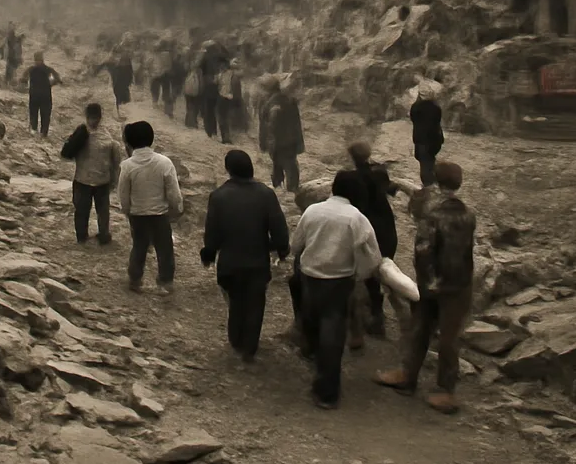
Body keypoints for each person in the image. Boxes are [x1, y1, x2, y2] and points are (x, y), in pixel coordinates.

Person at [374, 161, 476, 414]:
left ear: (436, 180)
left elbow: (423, 251)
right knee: (449, 338)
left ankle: (411, 375)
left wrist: (426, 282)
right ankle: (443, 388)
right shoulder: (467, 214)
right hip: (459, 284)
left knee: (422, 330)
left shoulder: (432, 214)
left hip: (433, 283)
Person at [291, 176, 382, 409]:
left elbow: (296, 245)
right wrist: (360, 275)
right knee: (332, 334)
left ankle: (311, 355)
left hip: (309, 277)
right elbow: (373, 258)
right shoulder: (357, 219)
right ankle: (326, 393)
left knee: (311, 321)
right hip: (338, 282)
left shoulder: (312, 211)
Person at [201, 150, 289, 362]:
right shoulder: (266, 194)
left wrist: (209, 253)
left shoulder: (219, 196)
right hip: (257, 260)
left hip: (230, 261)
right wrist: (281, 248)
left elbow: (213, 231)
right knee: (255, 303)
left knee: (236, 300)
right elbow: (278, 226)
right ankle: (250, 346)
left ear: (228, 169)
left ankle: (236, 339)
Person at [332, 142, 401, 343]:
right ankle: (378, 315)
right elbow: (392, 190)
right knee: (380, 272)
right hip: (386, 228)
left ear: (351, 157)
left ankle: (361, 324)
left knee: (358, 276)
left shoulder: (350, 178)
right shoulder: (379, 173)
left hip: (365, 227)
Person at [117, 120, 183, 295]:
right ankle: (165, 282)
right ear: (151, 138)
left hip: (137, 214)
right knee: (165, 248)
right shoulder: (164, 163)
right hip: (159, 214)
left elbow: (123, 194)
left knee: (139, 246)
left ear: (129, 142)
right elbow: (173, 193)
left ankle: (135, 279)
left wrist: (127, 210)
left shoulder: (127, 166)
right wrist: (176, 208)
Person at [61, 103, 122, 245]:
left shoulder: (82, 133)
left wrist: (113, 178)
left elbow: (67, 152)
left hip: (87, 180)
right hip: (95, 180)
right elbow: (115, 159)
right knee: (100, 210)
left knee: (86, 210)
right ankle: (100, 236)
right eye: (92, 118)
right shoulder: (103, 136)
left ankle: (85, 237)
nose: (93, 120)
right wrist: (114, 178)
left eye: (94, 118)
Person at [259, 77, 304, 193]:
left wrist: (267, 141)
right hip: (291, 140)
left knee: (286, 164)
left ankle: (289, 188)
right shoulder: (288, 99)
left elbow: (271, 124)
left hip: (280, 141)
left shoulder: (273, 104)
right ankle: (284, 186)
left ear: (268, 90)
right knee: (285, 163)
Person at [410, 83, 444, 185]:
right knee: (430, 161)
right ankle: (436, 181)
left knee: (425, 167)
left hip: (422, 142)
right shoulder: (436, 107)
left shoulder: (415, 108)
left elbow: (413, 119)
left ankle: (429, 188)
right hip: (435, 140)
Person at [22, 51, 62, 137]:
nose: (37, 62)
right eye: (37, 60)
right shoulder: (47, 69)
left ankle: (36, 132)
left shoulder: (31, 69)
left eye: (37, 60)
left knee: (35, 114)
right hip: (44, 96)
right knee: (44, 115)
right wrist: (51, 84)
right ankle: (42, 134)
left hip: (35, 96)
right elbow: (58, 79)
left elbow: (23, 79)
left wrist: (26, 84)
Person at [215, 62, 235, 144]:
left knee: (221, 118)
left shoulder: (220, 75)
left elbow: (217, 84)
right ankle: (228, 137)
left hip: (222, 97)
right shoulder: (233, 75)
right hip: (230, 98)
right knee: (227, 118)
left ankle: (224, 137)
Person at [182, 60, 202, 129]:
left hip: (187, 93)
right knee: (194, 107)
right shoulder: (199, 73)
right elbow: (201, 84)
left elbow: (184, 82)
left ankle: (187, 122)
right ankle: (192, 123)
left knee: (189, 106)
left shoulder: (189, 72)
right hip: (195, 93)